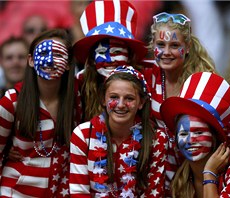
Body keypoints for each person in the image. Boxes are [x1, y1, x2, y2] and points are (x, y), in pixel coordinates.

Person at [0, 28, 80, 197]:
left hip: (61, 192)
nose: (50, 61)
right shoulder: (12, 100)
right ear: (30, 60)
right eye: (43, 53)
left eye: (58, 55)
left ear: (68, 64)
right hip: (15, 192)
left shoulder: (78, 99)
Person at [145, 12, 216, 193]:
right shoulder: (147, 76)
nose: (166, 52)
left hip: (193, 168)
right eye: (160, 44)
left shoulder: (202, 82)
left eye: (175, 45)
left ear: (188, 46)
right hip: (158, 169)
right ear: (153, 45)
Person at [69, 66, 168, 197]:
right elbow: (79, 193)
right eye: (114, 97)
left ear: (141, 102)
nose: (120, 104)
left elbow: (154, 194)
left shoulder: (157, 139)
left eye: (129, 98)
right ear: (103, 99)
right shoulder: (83, 134)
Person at [160, 72, 230, 197]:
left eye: (199, 132)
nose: (190, 139)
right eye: (183, 133)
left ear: (215, 136)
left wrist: (209, 174)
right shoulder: (181, 174)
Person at [73, 0, 148, 121]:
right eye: (102, 52)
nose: (109, 59)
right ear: (92, 59)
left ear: (129, 56)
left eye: (117, 52)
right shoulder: (80, 83)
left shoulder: (145, 79)